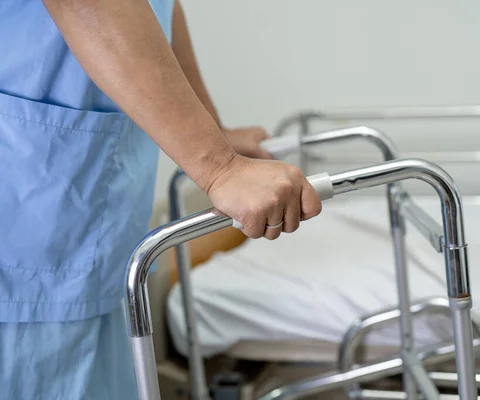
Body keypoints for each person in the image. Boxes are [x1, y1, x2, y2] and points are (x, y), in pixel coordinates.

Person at [0, 0, 322, 398]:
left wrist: (217, 138)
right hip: (28, 231)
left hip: (80, 229)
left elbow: (160, 7)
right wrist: (219, 167)